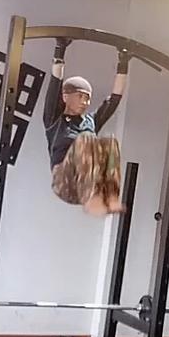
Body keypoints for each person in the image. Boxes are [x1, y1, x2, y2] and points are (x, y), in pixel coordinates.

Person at [43, 37, 129, 216]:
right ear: (66, 97)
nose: (85, 102)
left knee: (110, 143)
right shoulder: (54, 119)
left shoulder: (91, 121)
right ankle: (94, 199)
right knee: (85, 139)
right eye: (81, 97)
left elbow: (114, 99)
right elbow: (55, 83)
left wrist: (124, 62)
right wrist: (60, 49)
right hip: (64, 182)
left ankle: (110, 197)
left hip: (88, 185)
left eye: (88, 98)